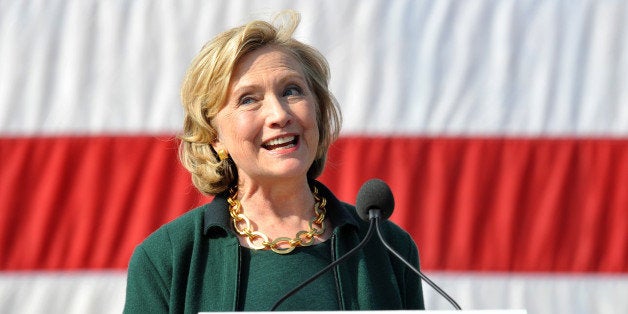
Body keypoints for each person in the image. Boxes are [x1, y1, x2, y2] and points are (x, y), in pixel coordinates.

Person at [124, 11, 425, 313]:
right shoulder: (166, 258)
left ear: (318, 112)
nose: (280, 115)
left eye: (291, 91)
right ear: (213, 135)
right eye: (248, 99)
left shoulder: (389, 248)